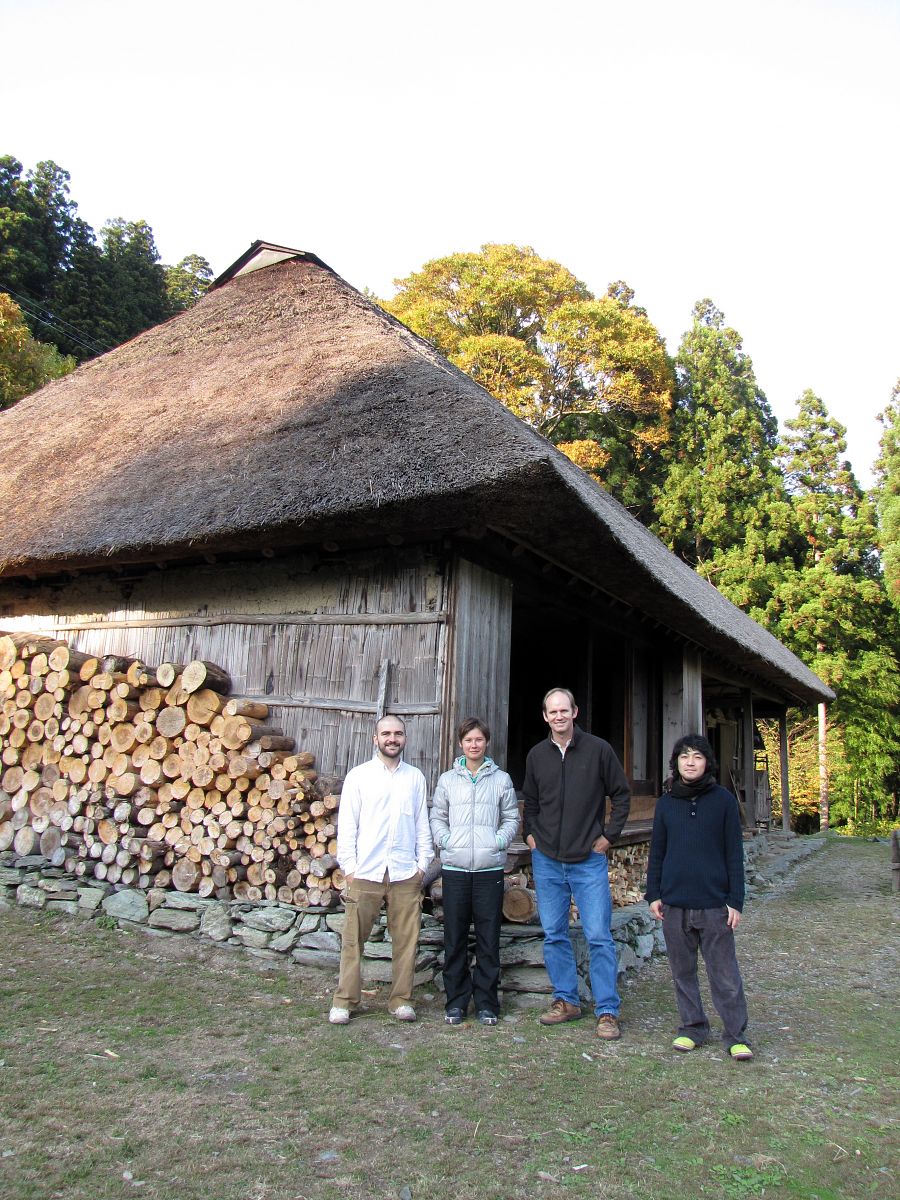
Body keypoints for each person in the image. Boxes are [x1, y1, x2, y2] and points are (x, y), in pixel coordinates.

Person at [521, 688, 631, 1040]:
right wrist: (531, 836)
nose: (558, 716)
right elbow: (531, 802)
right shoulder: (537, 755)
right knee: (554, 934)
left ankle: (607, 1010)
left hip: (588, 860)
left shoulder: (599, 750)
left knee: (598, 936)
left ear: (575, 712)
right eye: (552, 711)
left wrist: (609, 836)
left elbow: (622, 794)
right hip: (548, 860)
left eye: (564, 710)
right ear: (545, 716)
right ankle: (566, 1000)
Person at [645, 734, 753, 1061]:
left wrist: (735, 900)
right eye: (684, 757)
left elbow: (734, 854)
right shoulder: (665, 803)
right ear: (675, 763)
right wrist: (654, 893)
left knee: (724, 973)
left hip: (714, 904)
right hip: (675, 903)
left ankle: (735, 1034)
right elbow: (658, 853)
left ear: (708, 762)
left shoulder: (722, 801)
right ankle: (692, 1027)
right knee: (682, 971)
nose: (690, 762)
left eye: (697, 757)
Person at [329, 714, 433, 1025]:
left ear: (405, 739)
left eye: (398, 733)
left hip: (404, 874)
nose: (392, 738)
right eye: (386, 733)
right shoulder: (359, 776)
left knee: (406, 941)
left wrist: (422, 866)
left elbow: (421, 825)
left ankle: (401, 1000)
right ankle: (345, 1001)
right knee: (352, 940)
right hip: (365, 873)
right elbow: (347, 826)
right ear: (376, 739)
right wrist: (349, 868)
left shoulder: (415, 777)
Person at [430, 717, 520, 1026]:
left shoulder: (501, 780)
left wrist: (498, 841)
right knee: (454, 937)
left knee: (487, 938)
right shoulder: (447, 780)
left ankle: (487, 1003)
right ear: (460, 744)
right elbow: (437, 816)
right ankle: (456, 1002)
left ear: (486, 743)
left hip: (488, 869)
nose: (474, 745)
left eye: (479, 740)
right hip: (455, 869)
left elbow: (511, 818)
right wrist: (445, 841)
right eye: (468, 740)